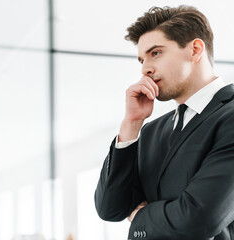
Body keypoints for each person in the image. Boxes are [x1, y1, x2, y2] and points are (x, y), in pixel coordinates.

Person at [94, 5, 234, 240]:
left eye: (155, 53)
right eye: (141, 59)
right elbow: (111, 208)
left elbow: (200, 218)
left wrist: (140, 216)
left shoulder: (229, 117)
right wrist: (131, 124)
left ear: (195, 50)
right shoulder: (150, 131)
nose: (145, 68)